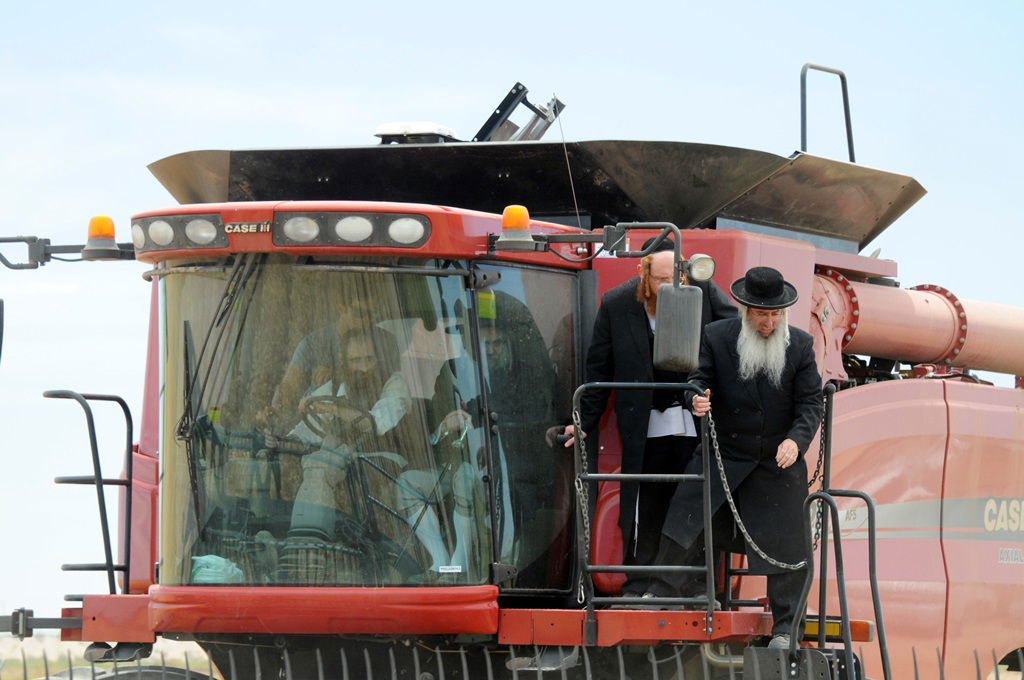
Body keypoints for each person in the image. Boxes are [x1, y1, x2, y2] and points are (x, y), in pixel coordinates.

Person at [645, 266, 823, 650]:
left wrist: (797, 440)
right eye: (762, 315)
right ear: (746, 311)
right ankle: (659, 593)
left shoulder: (802, 346)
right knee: (685, 515)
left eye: (775, 316)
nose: (768, 323)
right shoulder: (716, 336)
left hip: (778, 458)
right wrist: (694, 397)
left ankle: (786, 627)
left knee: (787, 543)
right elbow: (696, 379)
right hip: (725, 452)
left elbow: (811, 404)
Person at [563, 238, 737, 598]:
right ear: (643, 273)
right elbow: (598, 368)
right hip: (645, 420)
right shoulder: (617, 304)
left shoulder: (701, 290)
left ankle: (695, 584)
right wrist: (582, 422)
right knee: (646, 503)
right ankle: (640, 582)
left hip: (695, 419)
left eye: (677, 278)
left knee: (692, 500)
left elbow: (732, 333)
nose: (671, 287)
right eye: (661, 280)